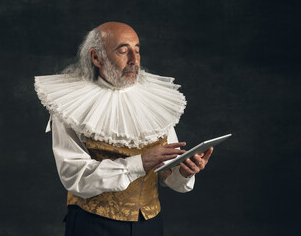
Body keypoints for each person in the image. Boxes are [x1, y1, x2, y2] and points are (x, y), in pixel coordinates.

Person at [35, 22, 213, 236]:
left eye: (137, 50)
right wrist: (140, 163)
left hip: (150, 225)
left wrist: (182, 173)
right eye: (123, 50)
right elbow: (74, 176)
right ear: (96, 57)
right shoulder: (70, 105)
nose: (134, 60)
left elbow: (166, 171)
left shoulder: (154, 100)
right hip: (94, 225)